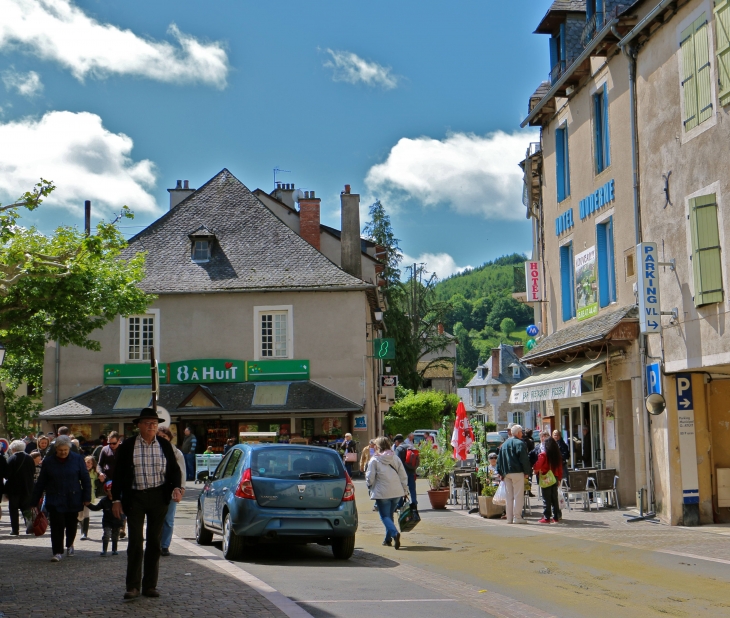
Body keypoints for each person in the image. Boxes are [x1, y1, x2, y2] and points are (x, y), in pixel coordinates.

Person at [111, 408, 183, 600]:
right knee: (135, 541)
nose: (151, 427)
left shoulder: (164, 446)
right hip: (135, 497)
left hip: (159, 497)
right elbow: (117, 475)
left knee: (154, 541)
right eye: (147, 423)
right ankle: (133, 586)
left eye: (154, 424)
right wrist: (116, 499)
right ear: (139, 426)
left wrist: (177, 487)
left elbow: (175, 470)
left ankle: (150, 585)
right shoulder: (127, 446)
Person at [31, 435, 91, 561]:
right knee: (57, 526)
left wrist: (87, 497)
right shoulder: (48, 462)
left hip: (73, 497)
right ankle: (57, 551)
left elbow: (85, 479)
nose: (63, 453)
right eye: (60, 450)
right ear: (56, 449)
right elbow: (41, 482)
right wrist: (34, 500)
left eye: (65, 450)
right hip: (55, 497)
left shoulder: (78, 459)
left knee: (71, 524)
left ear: (69, 449)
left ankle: (69, 544)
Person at [366, 436, 408, 549]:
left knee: (384, 516)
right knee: (389, 515)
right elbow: (403, 475)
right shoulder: (395, 457)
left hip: (382, 492)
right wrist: (405, 489)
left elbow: (370, 477)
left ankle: (394, 533)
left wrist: (369, 485)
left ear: (377, 446)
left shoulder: (375, 459)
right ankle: (387, 539)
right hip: (396, 492)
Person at [156, 425, 186, 557]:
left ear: (169, 438)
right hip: (156, 489)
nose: (162, 439)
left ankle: (165, 546)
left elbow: (181, 471)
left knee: (168, 519)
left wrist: (181, 487)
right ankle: (155, 543)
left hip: (171, 489)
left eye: (165, 437)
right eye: (160, 436)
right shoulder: (153, 451)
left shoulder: (176, 453)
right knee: (156, 518)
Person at [496, 424, 531, 524]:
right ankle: (517, 517)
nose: (522, 434)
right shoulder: (520, 443)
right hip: (517, 471)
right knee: (518, 496)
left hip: (506, 473)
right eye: (521, 432)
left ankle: (509, 518)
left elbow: (499, 459)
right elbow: (524, 459)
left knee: (509, 496)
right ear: (518, 433)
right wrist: (526, 472)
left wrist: (500, 472)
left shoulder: (505, 444)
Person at [4, 440, 36, 536]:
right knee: (26, 508)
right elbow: (33, 471)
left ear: (13, 449)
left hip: (14, 489)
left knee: (13, 509)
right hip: (27, 487)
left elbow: (7, 474)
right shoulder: (29, 458)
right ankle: (29, 526)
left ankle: (15, 529)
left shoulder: (12, 458)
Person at [88, 481, 123, 556]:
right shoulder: (104, 501)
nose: (112, 492)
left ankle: (114, 549)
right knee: (107, 534)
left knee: (115, 536)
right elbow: (96, 508)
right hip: (107, 521)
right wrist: (88, 505)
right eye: (110, 490)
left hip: (117, 521)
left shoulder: (120, 500)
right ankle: (104, 550)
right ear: (106, 491)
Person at [535, 437, 564, 524]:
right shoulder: (557, 456)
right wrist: (559, 479)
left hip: (546, 478)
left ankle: (547, 517)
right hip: (554, 477)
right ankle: (556, 517)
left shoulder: (543, 455)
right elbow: (560, 469)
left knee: (546, 498)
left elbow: (537, 466)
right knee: (554, 498)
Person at [393, 434, 418, 512]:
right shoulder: (410, 446)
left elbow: (396, 462)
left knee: (400, 488)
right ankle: (414, 503)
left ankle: (400, 504)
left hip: (402, 473)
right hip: (412, 471)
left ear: (397, 442)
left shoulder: (399, 449)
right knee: (412, 489)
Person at [78, 455, 99, 540]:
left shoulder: (94, 473)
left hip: (88, 496)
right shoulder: (79, 471)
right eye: (87, 462)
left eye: (90, 463)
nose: (88, 464)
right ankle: (82, 527)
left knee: (86, 514)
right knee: (79, 515)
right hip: (78, 496)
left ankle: (84, 533)